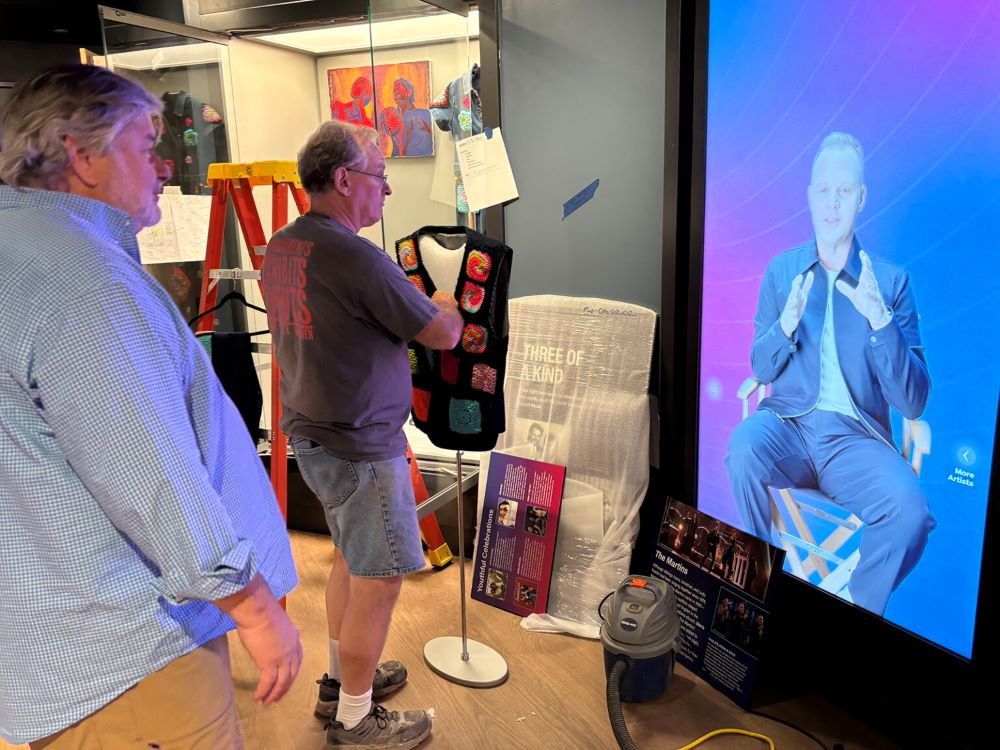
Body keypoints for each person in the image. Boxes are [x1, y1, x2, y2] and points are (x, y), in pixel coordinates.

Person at [0, 64, 300, 749]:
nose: (163, 165)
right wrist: (255, 608)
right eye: (143, 144)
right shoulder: (84, 278)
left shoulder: (19, 254)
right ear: (81, 154)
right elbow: (150, 473)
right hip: (130, 652)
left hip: (49, 642)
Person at [262, 119, 463, 749]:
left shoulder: (284, 245)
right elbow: (442, 333)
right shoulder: (356, 256)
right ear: (345, 179)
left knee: (351, 560)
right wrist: (447, 301)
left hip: (313, 437)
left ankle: (338, 683)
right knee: (380, 579)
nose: (388, 190)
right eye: (380, 175)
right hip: (361, 446)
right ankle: (354, 717)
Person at [725, 132, 936, 616]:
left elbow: (914, 402)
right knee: (743, 448)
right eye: (824, 190)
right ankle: (762, 583)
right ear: (810, 196)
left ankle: (852, 611)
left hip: (856, 443)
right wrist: (785, 325)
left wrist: (880, 320)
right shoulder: (782, 272)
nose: (833, 202)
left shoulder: (890, 282)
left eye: (844, 190)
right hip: (789, 427)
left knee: (911, 515)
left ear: (861, 197)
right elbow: (760, 367)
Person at [392, 78, 433, 157]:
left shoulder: (423, 114)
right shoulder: (394, 121)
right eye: (394, 91)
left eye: (399, 89)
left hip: (421, 161)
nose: (395, 93)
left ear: (409, 92)